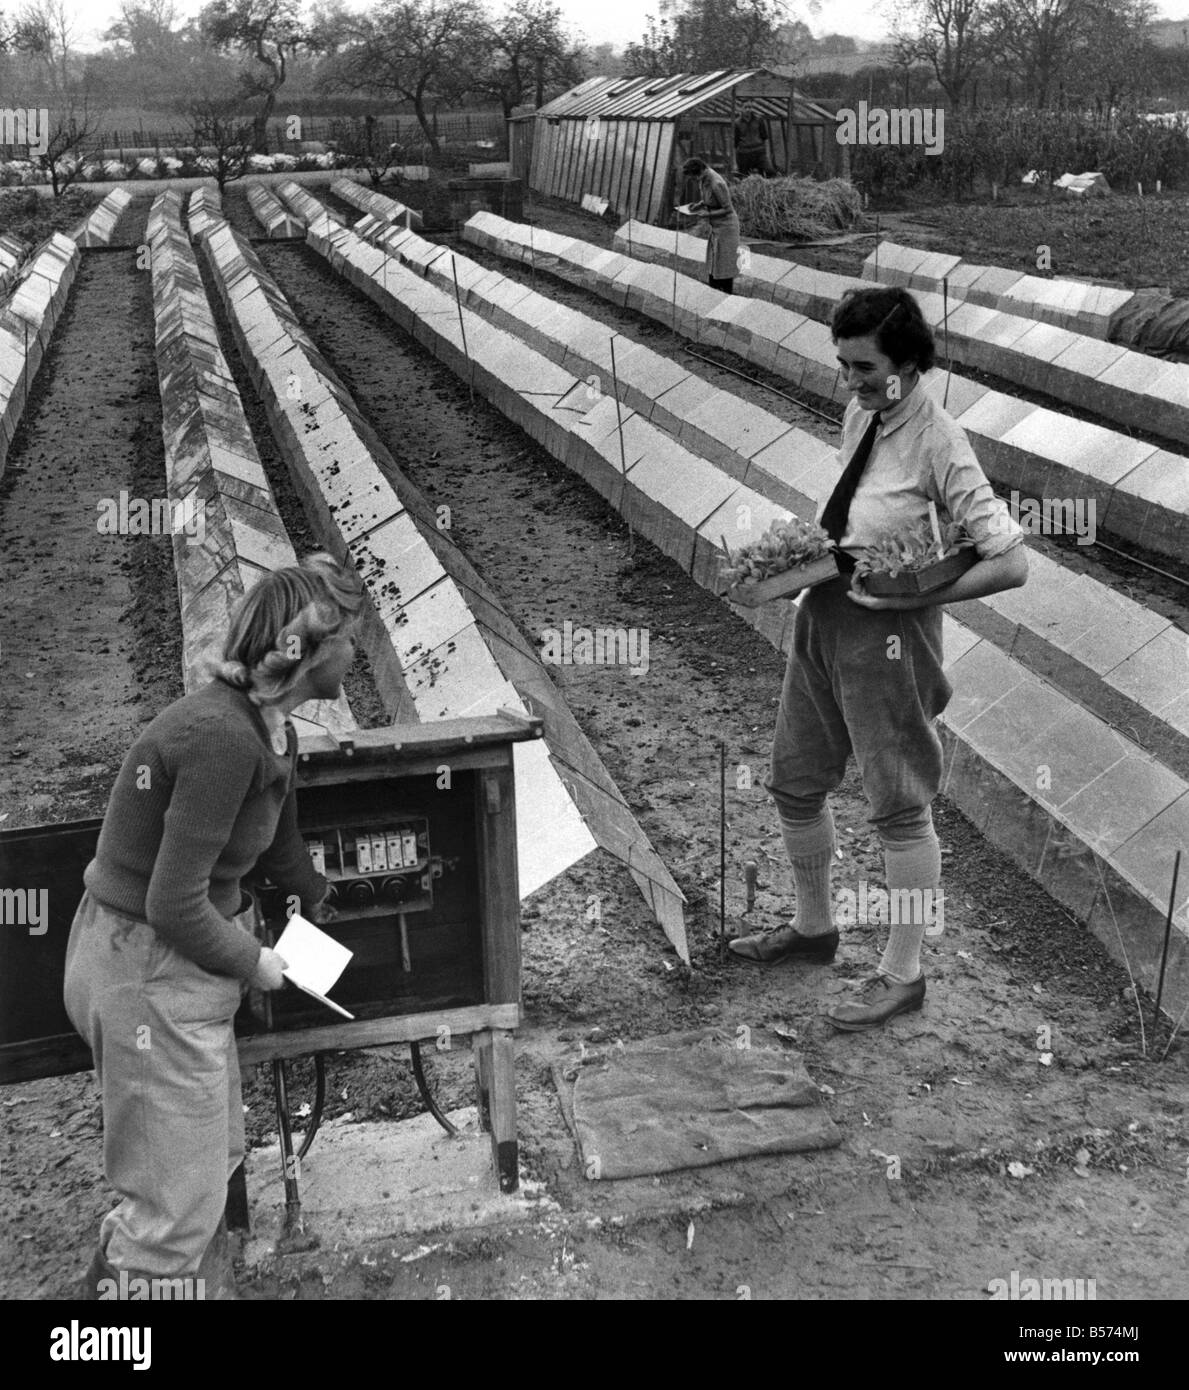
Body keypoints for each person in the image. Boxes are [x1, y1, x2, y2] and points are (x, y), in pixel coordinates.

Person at [729, 287, 1029, 1031]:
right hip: (826, 611)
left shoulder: (941, 442)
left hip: (889, 634)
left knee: (898, 803)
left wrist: (905, 602)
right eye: (842, 365)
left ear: (907, 360)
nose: (850, 381)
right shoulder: (862, 412)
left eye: (864, 367)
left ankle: (902, 973)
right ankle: (812, 927)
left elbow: (1011, 563)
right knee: (794, 780)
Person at [64, 554, 364, 1298]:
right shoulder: (221, 740)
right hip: (146, 971)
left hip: (176, 972)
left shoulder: (271, 730)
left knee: (209, 1161)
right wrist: (257, 963)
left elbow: (280, 839)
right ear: (307, 649)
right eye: (349, 639)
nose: (357, 654)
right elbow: (173, 902)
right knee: (169, 1212)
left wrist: (314, 893)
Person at [681, 156, 741, 294]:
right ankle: (714, 294)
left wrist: (708, 215)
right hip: (716, 226)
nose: (694, 180)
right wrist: (699, 205)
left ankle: (725, 296)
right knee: (714, 262)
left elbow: (727, 209)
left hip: (727, 228)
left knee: (724, 265)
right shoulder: (704, 179)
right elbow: (709, 198)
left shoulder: (716, 182)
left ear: (700, 171)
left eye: (694, 176)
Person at [734, 105, 775, 177]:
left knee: (770, 170)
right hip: (744, 153)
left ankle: (767, 185)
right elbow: (735, 143)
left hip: (759, 152)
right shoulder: (737, 123)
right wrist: (735, 162)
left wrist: (767, 155)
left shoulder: (759, 120)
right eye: (745, 107)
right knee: (743, 175)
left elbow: (765, 137)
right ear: (741, 109)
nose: (748, 109)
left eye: (749, 107)